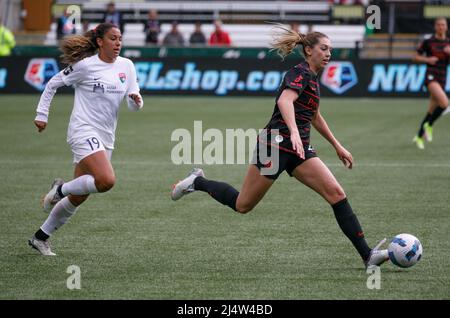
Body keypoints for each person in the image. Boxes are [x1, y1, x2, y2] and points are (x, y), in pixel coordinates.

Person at [171, 25, 388, 269]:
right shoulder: (300, 72)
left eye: (331, 50)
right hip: (273, 145)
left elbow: (314, 116)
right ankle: (197, 181)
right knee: (243, 205)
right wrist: (294, 131)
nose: (329, 53)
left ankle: (368, 255)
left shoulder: (313, 79)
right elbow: (285, 101)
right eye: (324, 49)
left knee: (336, 194)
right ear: (308, 50)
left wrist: (337, 145)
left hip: (299, 149)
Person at [29, 22, 144, 256]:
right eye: (113, 38)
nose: (118, 43)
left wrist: (136, 100)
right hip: (83, 130)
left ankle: (40, 238)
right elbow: (52, 84)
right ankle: (59, 189)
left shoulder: (127, 66)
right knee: (106, 180)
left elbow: (134, 104)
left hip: (106, 136)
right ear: (100, 41)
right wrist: (42, 114)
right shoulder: (85, 66)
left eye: (120, 38)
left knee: (80, 195)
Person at [412, 17, 450, 150]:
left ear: (446, 27)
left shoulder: (448, 44)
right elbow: (415, 57)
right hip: (431, 77)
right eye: (438, 25)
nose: (441, 27)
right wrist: (427, 59)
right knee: (445, 104)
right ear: (435, 27)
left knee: (431, 110)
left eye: (443, 25)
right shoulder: (429, 42)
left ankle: (418, 136)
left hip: (442, 78)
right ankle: (429, 125)